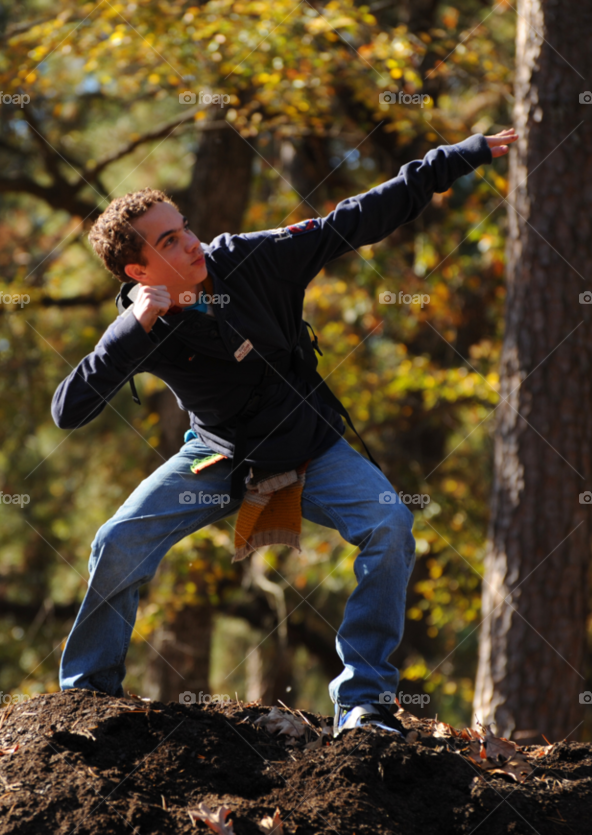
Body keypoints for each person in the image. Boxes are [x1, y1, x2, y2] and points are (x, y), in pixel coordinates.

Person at [52, 127, 517, 737]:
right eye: (171, 240)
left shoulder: (250, 258)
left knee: (390, 524)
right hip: (217, 458)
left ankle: (365, 705)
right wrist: (132, 330)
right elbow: (69, 408)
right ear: (139, 270)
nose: (192, 242)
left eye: (186, 225)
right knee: (117, 541)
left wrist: (451, 159)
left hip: (309, 444)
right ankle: (88, 697)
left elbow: (353, 219)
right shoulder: (142, 326)